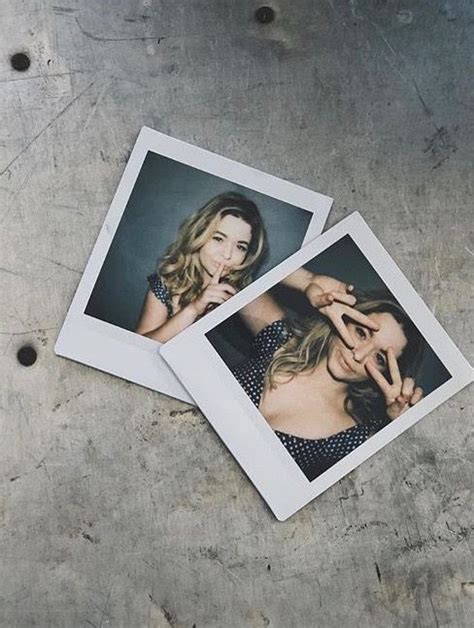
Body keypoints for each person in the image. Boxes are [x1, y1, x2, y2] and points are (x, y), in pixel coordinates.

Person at [233, 270, 425, 481]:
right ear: (343, 317)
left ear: (388, 374)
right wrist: (307, 281)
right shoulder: (280, 341)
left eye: (379, 358)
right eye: (361, 333)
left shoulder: (355, 437)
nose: (358, 355)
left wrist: (397, 430)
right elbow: (235, 274)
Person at [136, 192, 267, 342]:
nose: (227, 254)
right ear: (199, 235)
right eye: (218, 238)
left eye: (240, 247)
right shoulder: (167, 285)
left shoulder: (244, 299)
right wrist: (194, 308)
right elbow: (138, 348)